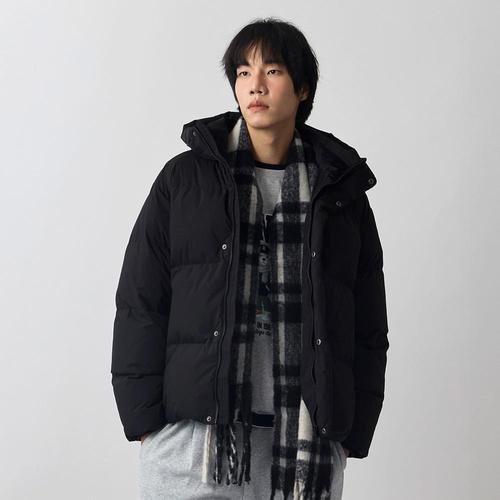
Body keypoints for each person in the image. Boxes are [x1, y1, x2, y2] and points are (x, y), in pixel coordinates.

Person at [111, 17, 389, 500]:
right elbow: (141, 300)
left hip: (305, 449)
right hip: (197, 441)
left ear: (303, 88)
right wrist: (144, 422)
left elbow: (367, 321)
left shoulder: (339, 194)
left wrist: (353, 431)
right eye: (243, 72)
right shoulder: (184, 181)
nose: (255, 85)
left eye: (272, 71)